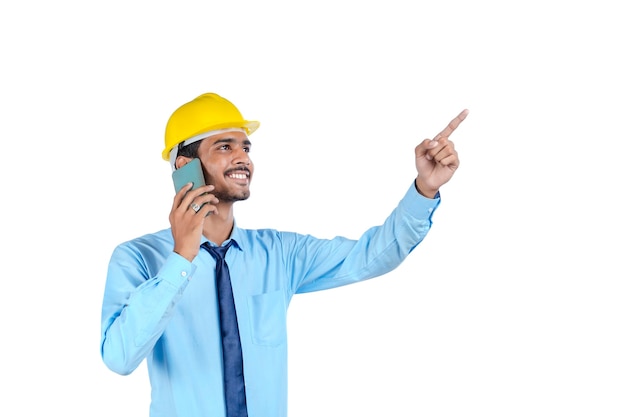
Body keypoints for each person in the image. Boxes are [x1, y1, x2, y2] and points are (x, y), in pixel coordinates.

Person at [100, 92, 469, 417]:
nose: (243, 158)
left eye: (245, 147)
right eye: (224, 147)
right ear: (186, 167)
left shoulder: (279, 254)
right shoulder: (137, 259)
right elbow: (118, 358)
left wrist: (424, 189)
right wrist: (181, 258)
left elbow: (369, 256)